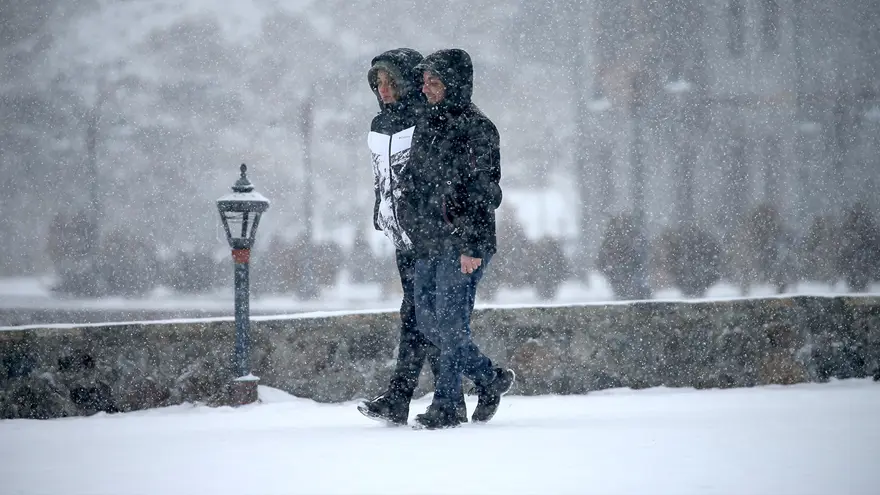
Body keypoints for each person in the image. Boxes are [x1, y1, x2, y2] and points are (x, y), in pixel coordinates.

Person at [403, 48, 515, 429]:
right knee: (427, 321)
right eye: (425, 82)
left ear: (454, 84)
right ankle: (490, 378)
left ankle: (448, 406)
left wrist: (471, 245)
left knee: (452, 325)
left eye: (434, 82)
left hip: (464, 243)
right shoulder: (426, 124)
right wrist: (413, 226)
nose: (426, 88)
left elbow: (484, 192)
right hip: (429, 242)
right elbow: (413, 183)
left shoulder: (479, 128)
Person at [357, 48, 468, 426]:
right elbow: (383, 177)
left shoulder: (425, 120)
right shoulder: (379, 124)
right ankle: (441, 397)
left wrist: (432, 219)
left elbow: (437, 179)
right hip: (401, 236)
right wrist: (382, 212)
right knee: (419, 316)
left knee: (422, 316)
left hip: (429, 235)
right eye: (378, 83)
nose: (384, 90)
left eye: (391, 82)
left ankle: (430, 398)